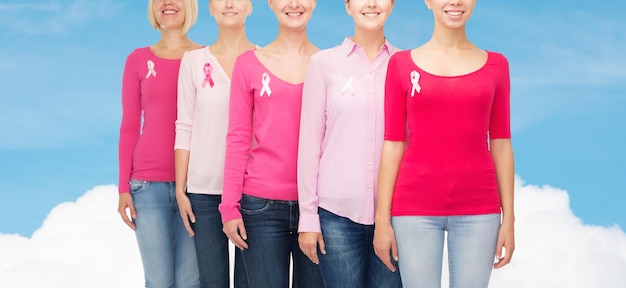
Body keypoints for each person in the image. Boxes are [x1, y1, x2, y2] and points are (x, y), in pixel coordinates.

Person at [373, 0, 515, 287]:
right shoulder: (400, 65)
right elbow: (392, 144)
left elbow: (500, 143)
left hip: (480, 211)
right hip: (414, 210)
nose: (455, 2)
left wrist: (509, 219)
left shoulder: (497, 65)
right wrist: (382, 221)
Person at [218, 0, 324, 287]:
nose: (294, 4)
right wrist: (229, 207)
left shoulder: (328, 65)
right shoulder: (248, 64)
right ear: (270, 3)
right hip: (260, 209)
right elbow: (238, 137)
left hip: (317, 209)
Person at [297, 0, 402, 287]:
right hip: (336, 218)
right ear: (347, 6)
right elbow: (309, 144)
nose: (371, 4)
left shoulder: (405, 66)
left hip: (394, 216)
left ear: (392, 5)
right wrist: (308, 217)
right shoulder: (323, 64)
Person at [117, 0, 201, 287]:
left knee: (191, 281)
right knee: (159, 281)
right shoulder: (138, 59)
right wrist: (123, 188)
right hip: (147, 186)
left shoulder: (206, 58)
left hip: (196, 186)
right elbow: (129, 126)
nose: (168, 3)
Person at [174, 0, 255, 287]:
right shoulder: (194, 62)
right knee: (211, 281)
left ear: (251, 7)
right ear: (209, 8)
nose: (229, 4)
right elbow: (184, 125)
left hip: (253, 194)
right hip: (203, 193)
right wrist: (180, 188)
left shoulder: (264, 60)